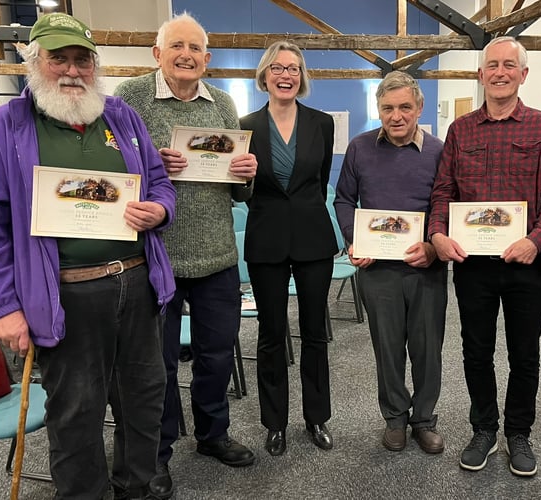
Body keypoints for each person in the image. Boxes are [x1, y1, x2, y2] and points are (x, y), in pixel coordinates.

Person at [0, 13, 176, 500]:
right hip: (63, 293)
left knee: (145, 399)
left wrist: (159, 209)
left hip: (136, 283)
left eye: (82, 60)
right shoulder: (5, 126)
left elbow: (158, 182)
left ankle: (137, 487)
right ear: (35, 61)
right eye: (59, 58)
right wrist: (3, 308)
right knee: (75, 412)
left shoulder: (120, 116)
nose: (72, 70)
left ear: (95, 65)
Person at [114, 12, 257, 499]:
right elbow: (109, 166)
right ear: (157, 54)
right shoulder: (128, 97)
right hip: (155, 258)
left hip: (217, 254)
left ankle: (213, 435)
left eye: (196, 48)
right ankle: (158, 451)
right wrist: (150, 160)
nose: (186, 55)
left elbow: (238, 192)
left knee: (216, 356)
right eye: (177, 46)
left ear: (207, 59)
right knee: (158, 365)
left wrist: (246, 171)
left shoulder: (223, 102)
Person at [428, 36, 541, 476]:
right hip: (474, 268)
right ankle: (484, 428)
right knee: (476, 351)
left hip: (526, 264)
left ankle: (518, 433)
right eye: (493, 65)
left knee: (524, 354)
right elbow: (442, 193)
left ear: (523, 74)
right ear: (481, 74)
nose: (501, 72)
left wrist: (536, 239)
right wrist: (436, 234)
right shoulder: (461, 130)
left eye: (510, 65)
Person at [333, 71, 448, 454]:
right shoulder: (360, 148)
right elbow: (344, 200)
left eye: (404, 107)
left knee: (428, 349)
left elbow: (445, 205)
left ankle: (424, 420)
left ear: (419, 108)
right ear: (378, 110)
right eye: (387, 108)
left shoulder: (439, 150)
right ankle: (396, 417)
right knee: (387, 348)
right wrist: (354, 239)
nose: (396, 116)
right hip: (377, 269)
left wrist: (433, 246)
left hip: (425, 269)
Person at [240, 41, 337, 456]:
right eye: (278, 68)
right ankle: (274, 422)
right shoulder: (245, 125)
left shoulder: (322, 122)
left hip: (313, 238)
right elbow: (242, 190)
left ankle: (316, 417)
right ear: (265, 76)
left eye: (294, 69)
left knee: (315, 333)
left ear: (302, 77)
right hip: (267, 239)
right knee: (270, 334)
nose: (286, 75)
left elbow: (319, 181)